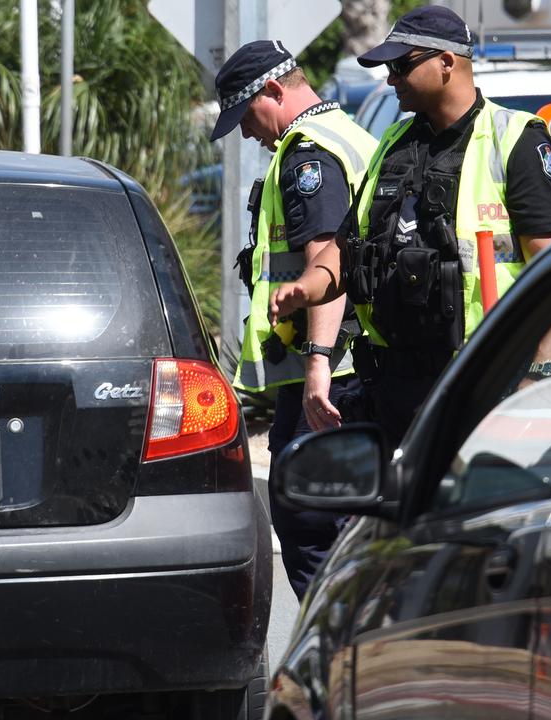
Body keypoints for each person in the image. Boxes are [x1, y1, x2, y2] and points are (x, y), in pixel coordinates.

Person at [270, 6, 551, 449]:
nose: (391, 80)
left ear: (447, 62)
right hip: (395, 393)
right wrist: (310, 286)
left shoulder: (515, 140)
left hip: (488, 389)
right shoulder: (394, 145)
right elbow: (349, 244)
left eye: (401, 66)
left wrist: (539, 374)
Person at [211, 40, 378, 597]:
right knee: (326, 510)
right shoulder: (348, 135)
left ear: (274, 91)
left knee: (310, 520)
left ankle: (333, 642)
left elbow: (325, 262)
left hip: (332, 370)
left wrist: (317, 366)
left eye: (245, 115)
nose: (244, 132)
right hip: (340, 364)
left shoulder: (310, 156)